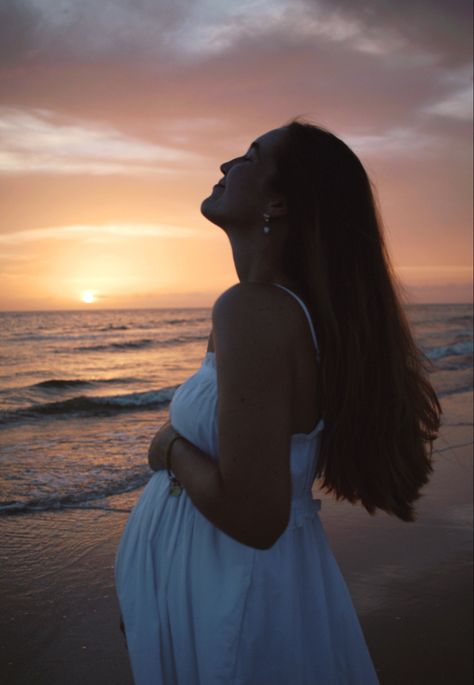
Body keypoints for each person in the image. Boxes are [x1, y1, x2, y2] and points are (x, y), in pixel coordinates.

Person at [115, 119, 442, 684]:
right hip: (225, 586)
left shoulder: (255, 310)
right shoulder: (277, 312)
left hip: (233, 597)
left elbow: (255, 516)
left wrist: (169, 448)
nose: (225, 166)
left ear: (281, 200)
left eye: (248, 156)